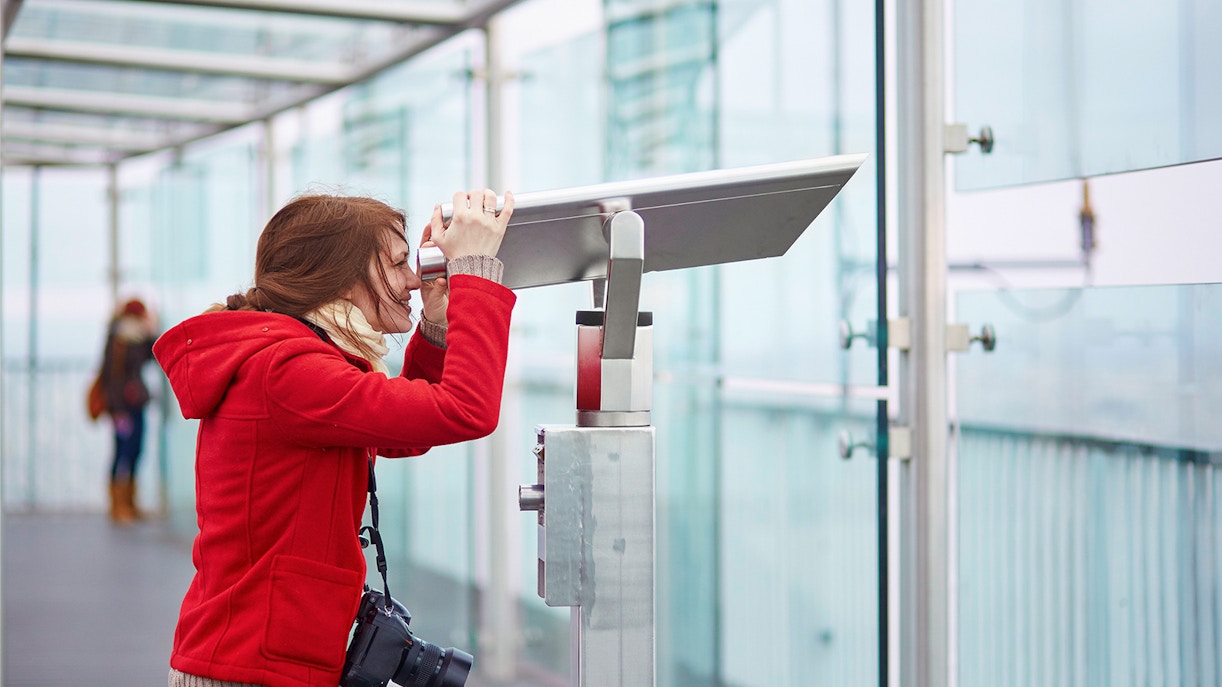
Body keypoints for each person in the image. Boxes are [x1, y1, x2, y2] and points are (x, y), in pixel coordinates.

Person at [154, 189, 515, 687]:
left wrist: (436, 322)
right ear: (341, 280)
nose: (414, 279)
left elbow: (398, 435)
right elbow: (466, 409)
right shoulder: (286, 371)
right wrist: (475, 272)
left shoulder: (295, 358)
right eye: (395, 263)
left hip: (264, 659)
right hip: (252, 668)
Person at [99, 297, 158, 524]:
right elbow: (110, 376)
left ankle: (131, 504)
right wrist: (116, 409)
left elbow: (155, 354)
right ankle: (117, 506)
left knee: (136, 451)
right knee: (121, 452)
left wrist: (151, 330)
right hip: (122, 406)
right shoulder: (117, 338)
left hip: (136, 403)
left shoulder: (139, 338)